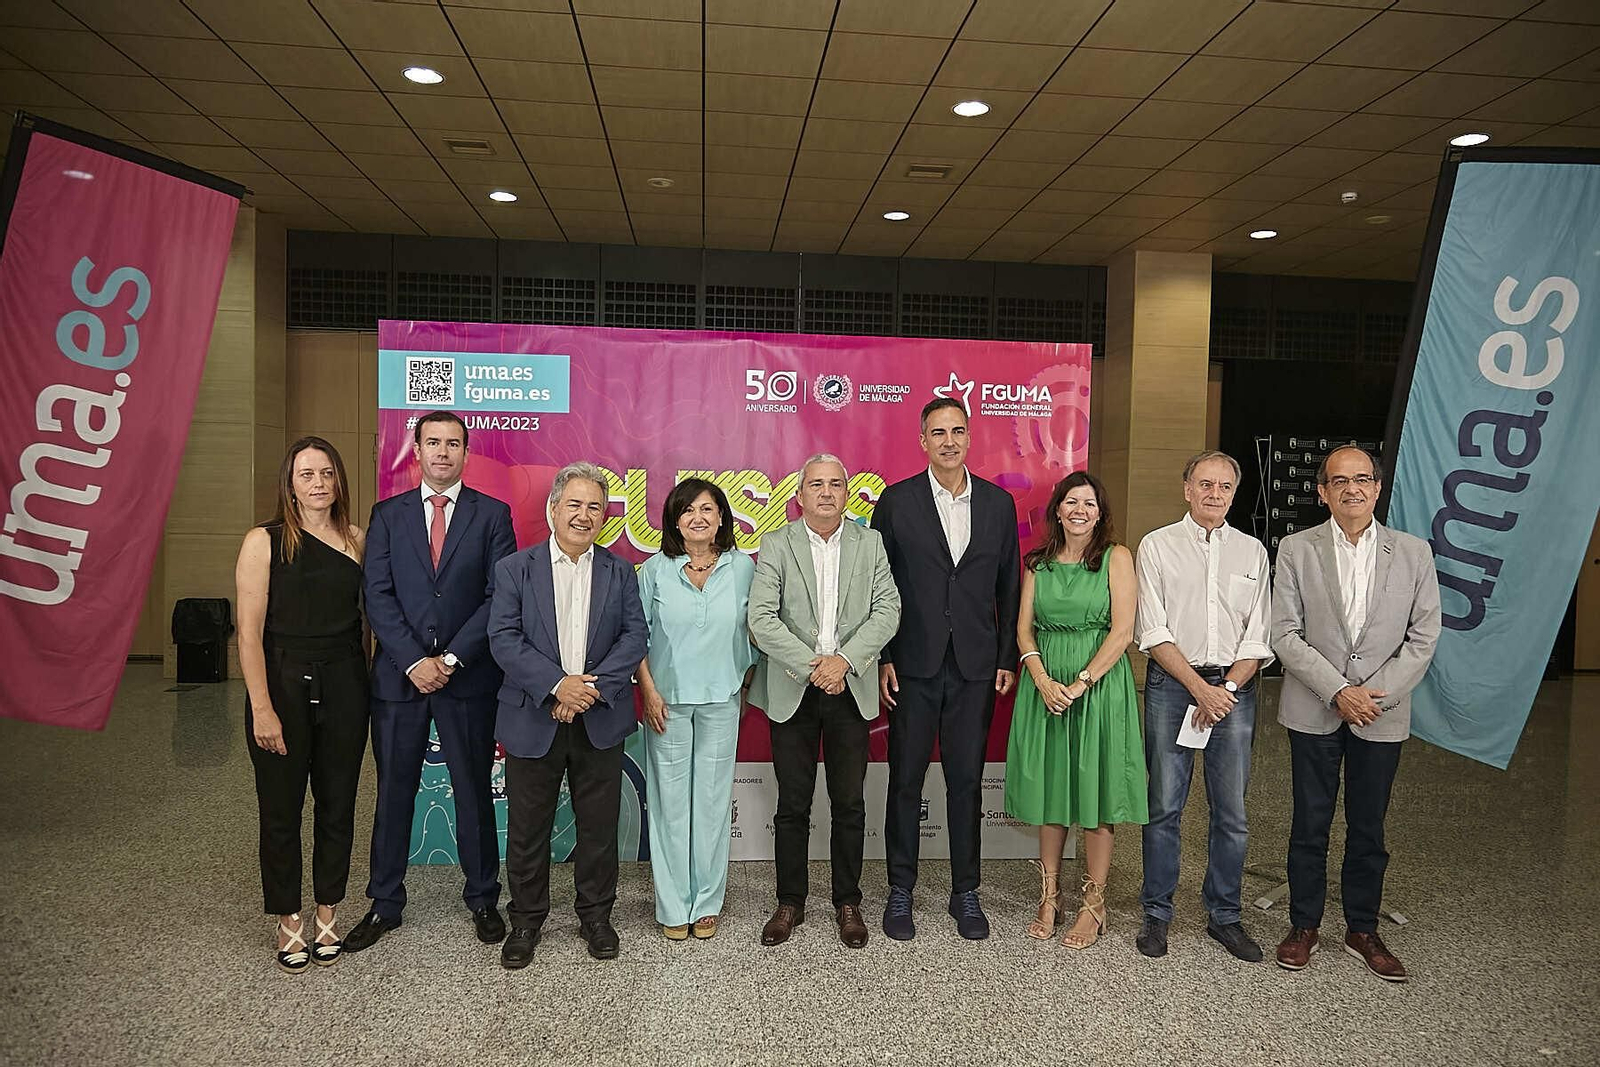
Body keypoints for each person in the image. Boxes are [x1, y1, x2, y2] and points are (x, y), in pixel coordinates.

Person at [345, 411, 518, 954]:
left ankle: (485, 899)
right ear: (415, 451)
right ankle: (384, 903)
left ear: (467, 453)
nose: (443, 452)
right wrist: (414, 661)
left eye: (453, 444)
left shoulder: (493, 515)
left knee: (473, 792)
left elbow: (499, 598)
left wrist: (449, 660)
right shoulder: (388, 515)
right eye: (433, 442)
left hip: (466, 679)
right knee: (394, 792)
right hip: (400, 681)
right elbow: (378, 595)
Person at [1270, 444, 1440, 983]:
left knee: (1369, 825)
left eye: (1362, 479)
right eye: (1339, 481)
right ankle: (1304, 924)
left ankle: (1362, 928)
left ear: (1377, 487)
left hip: (1381, 715)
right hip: (1315, 706)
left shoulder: (1413, 553)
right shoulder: (1297, 549)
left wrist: (1374, 694)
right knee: (1309, 824)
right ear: (1322, 492)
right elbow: (1284, 633)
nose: (1352, 489)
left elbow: (1424, 635)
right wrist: (1339, 689)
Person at [871, 397, 1021, 941]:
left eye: (958, 431)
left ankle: (966, 892)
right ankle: (900, 891)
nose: (950, 441)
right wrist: (884, 656)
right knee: (905, 780)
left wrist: (1007, 657)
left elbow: (1010, 587)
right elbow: (877, 588)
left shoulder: (999, 505)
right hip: (912, 664)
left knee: (966, 781)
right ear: (922, 440)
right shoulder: (895, 502)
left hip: (977, 667)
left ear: (970, 436)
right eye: (939, 433)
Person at [488, 462, 648, 969]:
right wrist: (558, 685)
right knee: (528, 827)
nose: (584, 515)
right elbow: (503, 638)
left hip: (599, 716)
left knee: (598, 827)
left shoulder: (621, 571)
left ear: (605, 516)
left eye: (594, 507)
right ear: (552, 509)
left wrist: (586, 691)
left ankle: (596, 917)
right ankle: (527, 920)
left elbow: (634, 638)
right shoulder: (515, 569)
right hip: (534, 716)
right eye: (574, 505)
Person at [747, 454, 901, 949]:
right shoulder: (776, 544)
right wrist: (817, 664)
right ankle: (789, 901)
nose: (827, 492)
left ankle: (847, 902)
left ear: (847, 492)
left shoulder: (870, 542)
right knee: (792, 803)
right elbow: (762, 619)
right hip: (795, 687)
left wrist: (846, 661)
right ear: (800, 494)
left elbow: (888, 610)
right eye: (817, 484)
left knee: (849, 802)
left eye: (836, 484)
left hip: (849, 688)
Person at [1133, 451, 1274, 962]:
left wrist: (1225, 692)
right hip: (1175, 687)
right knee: (1164, 807)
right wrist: (1200, 689)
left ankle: (1225, 916)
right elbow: (1152, 630)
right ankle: (1157, 914)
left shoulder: (1253, 551)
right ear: (1186, 488)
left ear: (1234, 494)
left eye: (1225, 487)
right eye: (1205, 484)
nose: (1215, 494)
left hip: (1234, 691)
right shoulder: (1156, 546)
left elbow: (1258, 636)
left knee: (1232, 812)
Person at [235, 437, 368, 972]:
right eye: (306, 474)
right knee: (281, 809)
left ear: (339, 481)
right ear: (289, 483)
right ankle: (288, 916)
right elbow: (247, 635)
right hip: (282, 683)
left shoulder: (356, 540)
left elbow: (365, 626)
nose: (317, 483)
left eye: (327, 473)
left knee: (338, 805)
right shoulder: (263, 542)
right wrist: (262, 708)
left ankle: (327, 909)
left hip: (344, 684)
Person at [1004, 471, 1146, 950]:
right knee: (1052, 791)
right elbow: (1024, 631)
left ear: (1100, 512)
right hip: (1045, 684)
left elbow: (1123, 631)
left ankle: (1095, 902)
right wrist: (1043, 680)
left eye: (1089, 503)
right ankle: (1050, 895)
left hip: (1098, 685)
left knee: (1095, 792)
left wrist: (1081, 682)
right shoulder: (1038, 564)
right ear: (1057, 510)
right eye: (1071, 502)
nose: (1080, 510)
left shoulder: (1115, 558)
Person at [637, 478, 756, 941]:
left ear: (722, 517)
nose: (698, 517)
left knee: (710, 802)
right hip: (666, 702)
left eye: (708, 509)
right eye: (688, 510)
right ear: (674, 520)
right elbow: (636, 637)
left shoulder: (743, 567)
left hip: (722, 700)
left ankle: (706, 901)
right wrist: (647, 690)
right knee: (669, 804)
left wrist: (743, 682)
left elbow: (758, 628)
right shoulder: (654, 571)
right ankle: (672, 903)